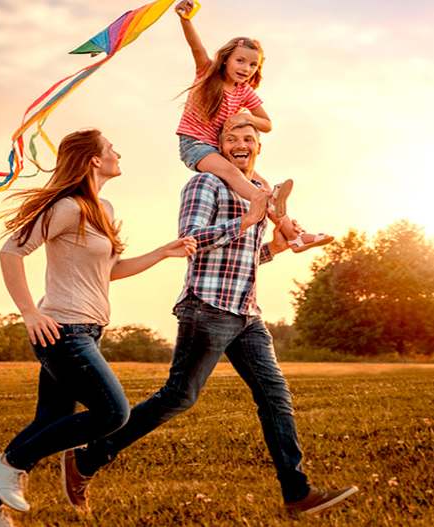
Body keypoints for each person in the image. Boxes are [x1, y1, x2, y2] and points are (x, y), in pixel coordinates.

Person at [61, 122, 357, 515]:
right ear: (217, 148)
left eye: (248, 139)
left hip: (247, 312)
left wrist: (275, 248)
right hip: (207, 308)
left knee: (275, 397)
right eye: (231, 139)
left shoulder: (259, 191)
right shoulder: (205, 185)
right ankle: (87, 460)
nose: (240, 145)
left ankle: (297, 493)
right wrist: (249, 220)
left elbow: (244, 259)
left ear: (258, 147)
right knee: (179, 397)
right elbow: (191, 240)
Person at [0, 129, 197, 527]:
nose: (118, 153)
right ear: (94, 160)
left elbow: (110, 272)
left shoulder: (103, 208)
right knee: (113, 413)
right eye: (111, 149)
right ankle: (9, 464)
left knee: (49, 421)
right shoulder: (67, 207)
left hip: (87, 330)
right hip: (62, 331)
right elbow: (10, 251)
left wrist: (162, 252)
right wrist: (29, 312)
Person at [172, 0, 332, 254]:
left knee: (263, 183)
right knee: (237, 177)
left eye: (252, 65)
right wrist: (185, 19)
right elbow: (196, 46)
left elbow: (267, 123)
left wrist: (248, 119)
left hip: (217, 148)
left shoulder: (244, 91)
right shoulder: (207, 74)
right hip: (195, 145)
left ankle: (295, 237)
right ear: (226, 60)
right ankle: (267, 200)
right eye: (240, 61)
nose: (246, 69)